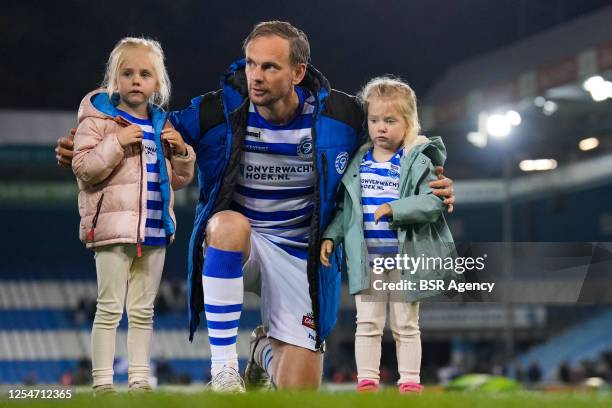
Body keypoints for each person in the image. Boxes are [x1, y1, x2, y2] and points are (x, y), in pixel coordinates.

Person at [55, 21, 455, 392]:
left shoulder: (342, 115)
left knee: (299, 389)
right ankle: (224, 369)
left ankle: (263, 350)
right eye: (250, 64)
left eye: (269, 67)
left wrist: (432, 180)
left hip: (303, 255)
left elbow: (396, 136)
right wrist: (87, 141)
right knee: (226, 224)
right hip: (242, 242)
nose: (256, 76)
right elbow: (151, 128)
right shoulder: (218, 112)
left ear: (297, 73)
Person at [71, 37, 195, 394]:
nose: (135, 80)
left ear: (158, 83)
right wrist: (118, 141)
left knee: (143, 311)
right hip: (113, 228)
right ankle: (102, 384)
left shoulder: (161, 125)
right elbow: (84, 168)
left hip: (155, 228)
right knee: (109, 308)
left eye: (144, 74)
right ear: (114, 79)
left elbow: (177, 181)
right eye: (127, 73)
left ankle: (140, 380)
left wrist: (183, 153)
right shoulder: (99, 119)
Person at [320, 77, 456, 392]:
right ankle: (367, 380)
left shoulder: (416, 160)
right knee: (367, 323)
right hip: (369, 260)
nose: (381, 127)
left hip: (405, 259)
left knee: (405, 325)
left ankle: (409, 382)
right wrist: (331, 236)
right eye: (374, 120)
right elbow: (347, 211)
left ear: (408, 124)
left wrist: (397, 209)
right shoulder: (359, 163)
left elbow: (433, 202)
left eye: (390, 121)